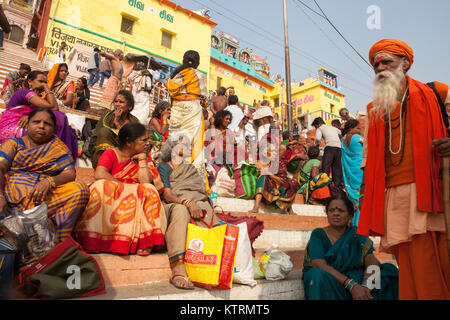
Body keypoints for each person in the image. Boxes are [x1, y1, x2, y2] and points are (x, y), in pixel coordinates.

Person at [359, 39, 450, 300]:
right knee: (407, 262)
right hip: (392, 195)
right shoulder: (374, 109)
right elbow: (368, 160)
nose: (380, 67)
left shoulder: (437, 92)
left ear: (406, 63)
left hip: (433, 190)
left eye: (387, 61)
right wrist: (365, 195)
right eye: (376, 63)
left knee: (437, 260)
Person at [0, 108, 89, 252]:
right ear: (27, 124)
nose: (41, 126)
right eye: (36, 122)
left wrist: (49, 182)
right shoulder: (14, 144)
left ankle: (56, 241)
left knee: (80, 190)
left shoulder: (58, 148)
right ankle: (20, 227)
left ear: (54, 129)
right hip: (11, 197)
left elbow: (70, 173)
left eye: (47, 124)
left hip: (43, 198)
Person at [74, 123, 166, 256]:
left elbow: (146, 182)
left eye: (148, 140)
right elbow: (100, 174)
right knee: (101, 186)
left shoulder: (145, 159)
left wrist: (142, 160)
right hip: (115, 195)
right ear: (129, 142)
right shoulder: (111, 153)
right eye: (144, 140)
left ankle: (145, 242)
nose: (148, 143)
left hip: (136, 196)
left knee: (149, 190)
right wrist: (124, 188)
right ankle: (95, 240)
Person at [302, 194, 399, 300]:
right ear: (327, 214)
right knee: (317, 275)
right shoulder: (318, 234)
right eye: (331, 210)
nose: (336, 214)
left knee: (388, 271)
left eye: (341, 211)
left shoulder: (356, 235)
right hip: (332, 280)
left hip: (356, 281)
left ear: (350, 216)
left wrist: (366, 287)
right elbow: (319, 264)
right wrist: (351, 285)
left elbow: (372, 261)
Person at [157, 134, 221, 289]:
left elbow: (198, 192)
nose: (189, 147)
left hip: (195, 202)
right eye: (184, 144)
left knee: (206, 209)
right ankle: (178, 267)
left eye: (189, 144)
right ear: (173, 148)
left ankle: (211, 264)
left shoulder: (190, 168)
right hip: (170, 205)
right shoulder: (164, 167)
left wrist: (195, 202)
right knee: (181, 210)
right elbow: (167, 193)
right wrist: (187, 202)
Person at [0, 70, 78, 161]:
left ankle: (59, 156)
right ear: (30, 82)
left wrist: (31, 117)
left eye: (45, 82)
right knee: (58, 116)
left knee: (62, 125)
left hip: (22, 124)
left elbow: (50, 109)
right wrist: (47, 88)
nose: (43, 84)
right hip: (12, 126)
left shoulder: (37, 98)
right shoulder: (25, 92)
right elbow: (54, 107)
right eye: (40, 82)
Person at [167, 50, 208, 179]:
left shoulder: (175, 75)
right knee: (193, 142)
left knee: (175, 140)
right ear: (197, 62)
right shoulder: (198, 75)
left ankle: (171, 174)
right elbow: (205, 99)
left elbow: (170, 93)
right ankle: (192, 177)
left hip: (176, 110)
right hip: (192, 109)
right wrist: (204, 104)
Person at [88, 90, 140, 168]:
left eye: (121, 102)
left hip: (126, 155)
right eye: (116, 101)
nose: (117, 104)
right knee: (104, 131)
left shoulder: (134, 122)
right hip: (103, 154)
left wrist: (117, 123)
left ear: (130, 106)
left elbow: (133, 144)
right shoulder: (107, 117)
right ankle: (104, 167)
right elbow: (95, 138)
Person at [341, 119, 363, 226]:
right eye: (358, 128)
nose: (360, 131)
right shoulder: (357, 138)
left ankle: (354, 223)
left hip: (350, 172)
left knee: (355, 197)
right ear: (350, 128)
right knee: (362, 196)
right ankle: (359, 224)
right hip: (360, 170)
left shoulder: (343, 140)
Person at [312, 117, 343, 188]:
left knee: (326, 167)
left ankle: (326, 186)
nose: (316, 128)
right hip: (338, 148)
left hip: (329, 148)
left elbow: (317, 139)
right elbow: (340, 134)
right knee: (337, 168)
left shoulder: (320, 128)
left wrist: (316, 147)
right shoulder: (334, 128)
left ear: (319, 124)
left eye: (316, 126)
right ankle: (337, 187)